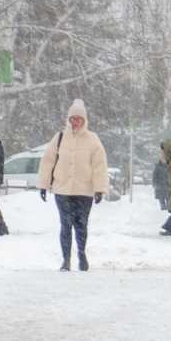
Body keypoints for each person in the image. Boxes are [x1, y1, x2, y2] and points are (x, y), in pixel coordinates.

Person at [37, 98, 110, 272]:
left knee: (81, 225)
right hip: (62, 189)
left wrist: (99, 189)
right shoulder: (60, 137)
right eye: (73, 118)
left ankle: (82, 254)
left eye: (79, 119)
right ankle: (66, 260)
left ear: (84, 120)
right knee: (65, 224)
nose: (75, 122)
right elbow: (48, 161)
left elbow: (99, 165)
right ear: (68, 120)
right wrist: (43, 184)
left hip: (84, 190)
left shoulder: (93, 140)